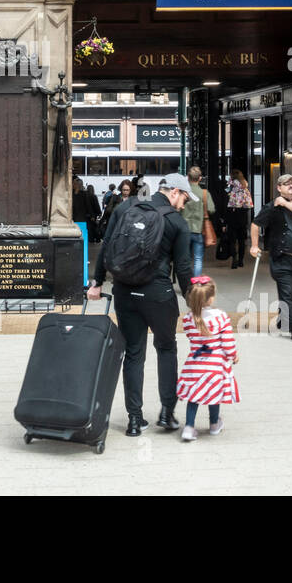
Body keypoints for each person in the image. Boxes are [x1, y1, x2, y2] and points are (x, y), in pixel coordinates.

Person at [88, 171, 195, 438]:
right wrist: (195, 300)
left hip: (125, 292)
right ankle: (167, 414)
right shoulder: (177, 223)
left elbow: (107, 244)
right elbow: (182, 267)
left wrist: (97, 282)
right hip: (158, 295)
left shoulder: (126, 208)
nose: (185, 204)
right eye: (184, 197)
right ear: (173, 192)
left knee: (134, 353)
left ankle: (135, 421)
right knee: (166, 348)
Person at [250, 173, 292, 341]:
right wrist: (254, 245)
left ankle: (282, 318)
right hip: (281, 259)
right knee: (288, 294)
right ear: (279, 188)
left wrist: (285, 204)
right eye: (286, 183)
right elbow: (256, 224)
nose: (291, 185)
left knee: (291, 293)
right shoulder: (271, 207)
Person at [176, 276, 240, 441]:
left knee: (193, 397)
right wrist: (233, 355)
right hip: (215, 365)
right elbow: (227, 342)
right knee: (214, 395)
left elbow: (192, 337)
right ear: (211, 298)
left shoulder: (188, 319)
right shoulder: (220, 317)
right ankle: (213, 424)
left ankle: (189, 427)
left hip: (194, 364)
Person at [179, 166, 215, 276]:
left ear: (188, 178)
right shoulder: (204, 193)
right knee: (198, 259)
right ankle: (196, 283)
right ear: (200, 178)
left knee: (186, 259)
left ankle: (187, 282)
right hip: (199, 230)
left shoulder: (183, 192)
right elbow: (211, 209)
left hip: (184, 230)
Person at [226, 169, 253, 269]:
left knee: (232, 240)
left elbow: (227, 204)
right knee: (242, 240)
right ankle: (241, 261)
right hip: (243, 216)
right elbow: (249, 205)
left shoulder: (231, 187)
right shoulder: (246, 189)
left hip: (233, 215)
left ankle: (234, 259)